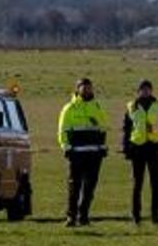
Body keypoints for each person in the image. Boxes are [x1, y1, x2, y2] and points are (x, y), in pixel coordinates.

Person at [56, 78, 111, 227]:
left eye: (89, 88)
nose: (87, 90)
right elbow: (62, 130)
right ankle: (71, 217)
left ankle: (84, 216)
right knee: (74, 186)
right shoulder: (70, 108)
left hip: (94, 154)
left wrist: (102, 147)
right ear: (78, 89)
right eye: (84, 88)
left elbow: (104, 127)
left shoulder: (97, 107)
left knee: (89, 188)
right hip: (76, 153)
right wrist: (66, 147)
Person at [121, 80, 158, 225]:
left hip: (155, 147)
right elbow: (127, 129)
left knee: (155, 185)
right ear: (138, 91)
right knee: (137, 184)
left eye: (148, 89)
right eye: (143, 89)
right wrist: (126, 148)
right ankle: (136, 215)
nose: (145, 91)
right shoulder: (131, 107)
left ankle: (155, 215)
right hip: (138, 148)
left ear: (152, 90)